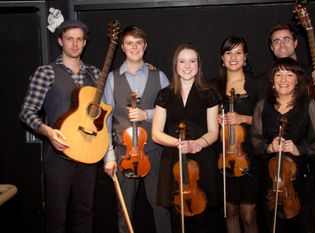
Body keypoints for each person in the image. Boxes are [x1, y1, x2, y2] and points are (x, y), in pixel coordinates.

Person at [19, 20, 100, 233]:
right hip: (58, 156)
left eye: (79, 39)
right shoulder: (46, 72)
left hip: (89, 153)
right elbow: (26, 111)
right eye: (69, 39)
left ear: (85, 43)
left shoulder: (95, 74)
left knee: (85, 213)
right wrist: (46, 130)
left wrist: (143, 65)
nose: (74, 44)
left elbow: (109, 106)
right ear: (60, 41)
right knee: (57, 217)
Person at [103, 25, 172, 233]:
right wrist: (108, 156)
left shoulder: (159, 75)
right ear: (122, 47)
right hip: (123, 154)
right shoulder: (112, 78)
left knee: (161, 207)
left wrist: (147, 114)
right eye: (129, 43)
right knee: (124, 211)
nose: (134, 47)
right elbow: (105, 119)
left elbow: (170, 111)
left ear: (145, 46)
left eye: (139, 42)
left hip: (154, 151)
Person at [251, 57, 315, 233]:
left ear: (298, 80)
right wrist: (269, 147)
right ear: (272, 80)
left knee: (302, 226)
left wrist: (299, 149)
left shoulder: (309, 105)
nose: (283, 80)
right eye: (278, 75)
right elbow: (255, 141)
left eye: (289, 74)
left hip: (301, 179)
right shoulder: (261, 106)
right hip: (270, 180)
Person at [152, 44, 223, 233]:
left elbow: (214, 132)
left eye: (192, 61)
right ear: (175, 65)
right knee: (177, 218)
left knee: (202, 219)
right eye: (182, 61)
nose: (187, 66)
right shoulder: (164, 95)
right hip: (174, 158)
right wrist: (179, 143)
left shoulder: (209, 94)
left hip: (202, 158)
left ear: (198, 65)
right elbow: (156, 133)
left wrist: (196, 144)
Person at [214, 35, 265, 233]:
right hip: (224, 156)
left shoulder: (258, 84)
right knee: (230, 210)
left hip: (249, 155)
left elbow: (268, 119)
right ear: (222, 58)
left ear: (245, 57)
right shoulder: (214, 85)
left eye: (238, 52)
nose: (233, 57)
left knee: (248, 214)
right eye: (228, 53)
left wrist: (243, 118)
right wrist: (215, 120)